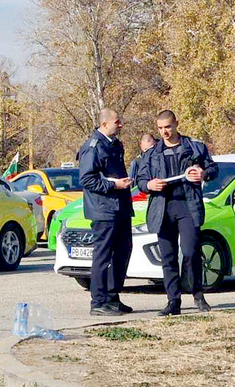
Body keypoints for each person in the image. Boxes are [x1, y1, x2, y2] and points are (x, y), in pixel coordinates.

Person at [135, 110, 218, 316]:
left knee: (191, 252)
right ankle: (173, 301)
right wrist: (149, 185)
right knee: (168, 257)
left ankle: (198, 294)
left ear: (176, 124)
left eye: (168, 127)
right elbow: (141, 180)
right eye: (160, 128)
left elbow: (213, 169)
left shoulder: (194, 147)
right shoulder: (152, 154)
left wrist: (203, 173)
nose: (164, 132)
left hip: (187, 206)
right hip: (162, 208)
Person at [78, 108, 134, 317]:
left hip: (120, 207)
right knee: (102, 256)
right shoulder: (93, 147)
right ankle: (98, 301)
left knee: (123, 251)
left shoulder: (115, 144)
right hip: (103, 210)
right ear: (104, 124)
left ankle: (112, 296)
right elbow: (87, 179)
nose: (120, 125)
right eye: (117, 122)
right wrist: (114, 185)